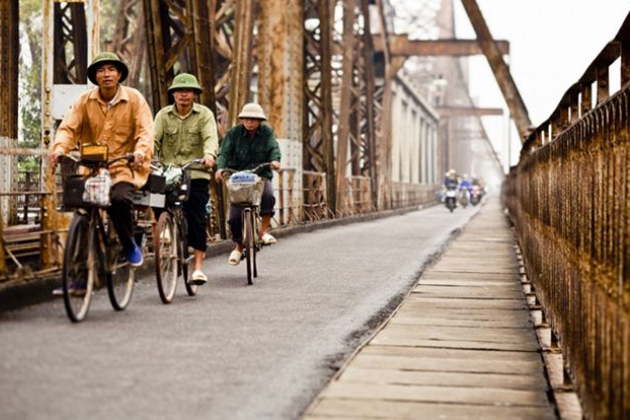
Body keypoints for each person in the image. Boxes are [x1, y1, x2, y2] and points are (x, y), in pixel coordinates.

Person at [50, 52, 154, 294]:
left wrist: (139, 152)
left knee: (118, 200)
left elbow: (145, 132)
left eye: (111, 69)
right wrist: (58, 149)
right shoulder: (85, 101)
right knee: (83, 213)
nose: (106, 74)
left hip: (124, 167)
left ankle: (129, 245)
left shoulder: (135, 100)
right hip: (93, 169)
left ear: (119, 74)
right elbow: (68, 127)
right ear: (95, 76)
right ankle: (78, 276)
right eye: (101, 70)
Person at [154, 73, 218, 285]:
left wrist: (209, 156)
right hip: (168, 171)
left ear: (194, 94)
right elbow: (154, 140)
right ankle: (165, 230)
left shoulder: (204, 115)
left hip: (195, 172)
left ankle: (198, 267)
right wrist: (147, 157)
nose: (183, 94)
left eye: (188, 90)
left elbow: (210, 137)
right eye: (179, 91)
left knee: (196, 214)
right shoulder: (163, 115)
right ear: (173, 94)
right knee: (154, 196)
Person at [214, 103, 281, 266]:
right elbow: (224, 152)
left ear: (260, 121)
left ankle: (263, 232)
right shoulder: (233, 133)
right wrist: (220, 168)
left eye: (253, 119)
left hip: (260, 176)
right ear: (242, 119)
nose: (249, 122)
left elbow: (274, 148)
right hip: (238, 178)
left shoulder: (266, 132)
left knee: (268, 195)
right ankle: (238, 247)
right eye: (246, 119)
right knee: (235, 216)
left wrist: (275, 161)